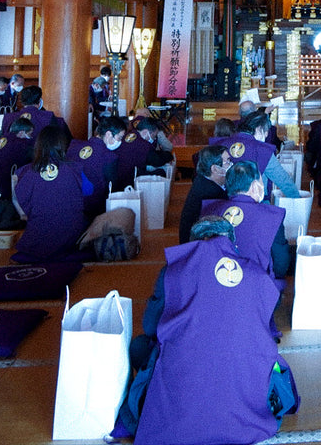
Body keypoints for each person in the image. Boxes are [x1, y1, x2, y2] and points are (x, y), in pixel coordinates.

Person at [133, 218, 287, 445]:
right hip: (248, 403)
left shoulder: (173, 272)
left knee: (139, 346)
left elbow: (149, 326)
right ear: (232, 243)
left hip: (182, 414)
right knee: (273, 366)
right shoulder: (257, 274)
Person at [201, 160, 292, 282]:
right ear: (255, 186)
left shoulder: (210, 209)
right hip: (256, 286)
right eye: (260, 182)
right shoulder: (271, 215)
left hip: (215, 281)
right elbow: (281, 264)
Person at [13, 125, 94, 260]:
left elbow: (20, 202)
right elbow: (89, 190)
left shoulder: (25, 171)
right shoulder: (74, 168)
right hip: (71, 235)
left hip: (38, 236)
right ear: (62, 145)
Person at [67, 115, 125, 218]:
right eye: (119, 137)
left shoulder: (74, 146)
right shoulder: (109, 156)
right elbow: (112, 186)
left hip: (70, 203)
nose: (120, 142)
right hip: (94, 208)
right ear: (108, 134)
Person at [178, 145, 230, 244]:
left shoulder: (202, 180)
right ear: (215, 169)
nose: (231, 165)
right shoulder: (212, 194)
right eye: (227, 162)